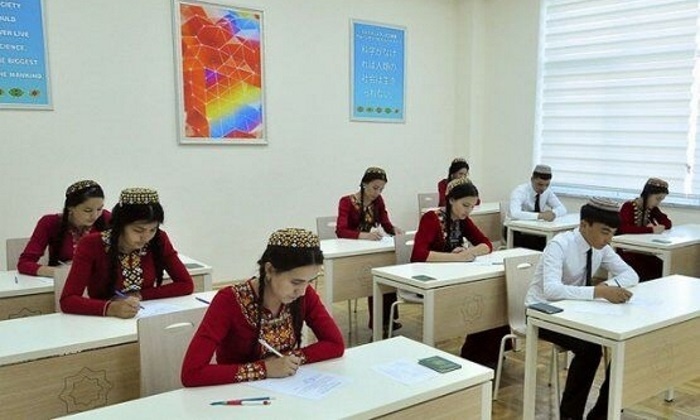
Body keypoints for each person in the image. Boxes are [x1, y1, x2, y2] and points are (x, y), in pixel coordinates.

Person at [181, 228, 344, 386]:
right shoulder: (229, 301)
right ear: (270, 270)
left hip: (286, 388)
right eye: (296, 282)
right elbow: (192, 373)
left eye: (309, 281)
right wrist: (264, 369)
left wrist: (290, 360)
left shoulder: (304, 294)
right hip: (236, 393)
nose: (302, 291)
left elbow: (335, 344)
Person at [525, 198, 639, 420]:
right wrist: (598, 292)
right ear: (584, 225)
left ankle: (602, 414)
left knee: (625, 343)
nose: (609, 239)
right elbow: (551, 290)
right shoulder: (560, 245)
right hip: (541, 311)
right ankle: (570, 415)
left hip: (575, 311)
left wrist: (606, 287)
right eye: (605, 232)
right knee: (590, 349)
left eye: (612, 233)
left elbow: (631, 275)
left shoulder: (601, 247)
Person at [412, 178, 507, 366]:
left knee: (491, 298)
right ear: (451, 200)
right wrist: (456, 257)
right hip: (430, 281)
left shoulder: (463, 221)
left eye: (471, 207)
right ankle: (475, 352)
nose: (468, 211)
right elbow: (419, 254)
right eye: (465, 205)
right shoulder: (431, 218)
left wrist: (469, 252)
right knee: (481, 300)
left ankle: (483, 353)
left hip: (453, 276)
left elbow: (486, 244)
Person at [60, 187, 194, 317]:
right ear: (120, 226)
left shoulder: (159, 239)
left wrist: (140, 295)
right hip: (102, 321)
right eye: (138, 230)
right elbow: (68, 300)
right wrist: (110, 308)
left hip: (143, 315)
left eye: (152, 230)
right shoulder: (92, 244)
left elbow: (186, 284)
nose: (146, 237)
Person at [336, 166, 403, 332]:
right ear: (364, 184)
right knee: (373, 276)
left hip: (368, 248)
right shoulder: (347, 201)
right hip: (350, 250)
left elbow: (386, 223)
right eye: (375, 188)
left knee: (385, 271)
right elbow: (341, 230)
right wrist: (364, 235)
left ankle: (386, 320)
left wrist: (395, 230)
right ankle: (379, 321)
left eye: (381, 189)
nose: (377, 192)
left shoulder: (378, 201)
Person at [18, 180, 111, 277]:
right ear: (70, 208)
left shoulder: (106, 219)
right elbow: (24, 263)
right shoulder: (50, 223)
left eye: (99, 209)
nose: (95, 216)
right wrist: (62, 273)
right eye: (87, 210)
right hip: (62, 281)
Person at [618, 178, 672, 281]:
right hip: (626, 249)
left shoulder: (652, 208)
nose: (658, 203)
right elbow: (624, 229)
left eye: (661, 200)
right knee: (646, 269)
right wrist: (651, 230)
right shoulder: (628, 206)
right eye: (657, 199)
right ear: (648, 194)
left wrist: (660, 226)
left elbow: (667, 223)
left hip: (642, 249)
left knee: (660, 266)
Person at [508, 164, 567, 250]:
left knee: (558, 242)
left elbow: (562, 208)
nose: (543, 188)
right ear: (532, 179)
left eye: (547, 185)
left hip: (537, 231)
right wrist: (540, 216)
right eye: (540, 184)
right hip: (516, 231)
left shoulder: (547, 191)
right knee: (545, 245)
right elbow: (514, 213)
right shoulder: (520, 191)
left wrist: (553, 214)